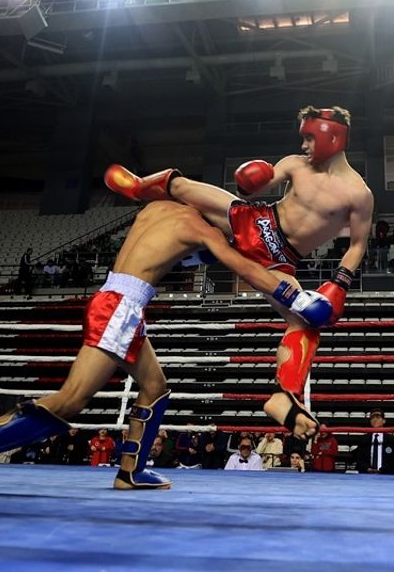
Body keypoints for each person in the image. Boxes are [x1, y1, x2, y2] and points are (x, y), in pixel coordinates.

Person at [0, 201, 335, 492]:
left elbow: (166, 252)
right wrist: (296, 298)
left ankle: (131, 471)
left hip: (117, 300)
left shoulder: (157, 211)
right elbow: (244, 265)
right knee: (71, 401)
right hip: (122, 307)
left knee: (155, 388)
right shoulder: (202, 230)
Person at [105, 105, 374, 439]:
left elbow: (358, 245)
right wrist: (251, 182)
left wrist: (339, 284)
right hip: (255, 221)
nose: (304, 145)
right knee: (185, 188)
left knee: (304, 322)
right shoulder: (295, 164)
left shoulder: (359, 195)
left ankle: (284, 395)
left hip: (279, 260)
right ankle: (139, 186)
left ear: (331, 136)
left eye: (308, 137)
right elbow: (258, 185)